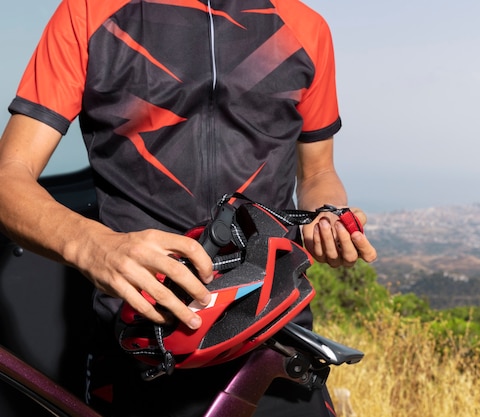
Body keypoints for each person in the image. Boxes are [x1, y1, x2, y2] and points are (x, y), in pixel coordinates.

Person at [0, 0, 377, 416]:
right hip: (147, 341)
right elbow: (8, 177)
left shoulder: (306, 27)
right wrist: (94, 245)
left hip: (275, 341)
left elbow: (318, 172)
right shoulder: (88, 11)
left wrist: (327, 214)